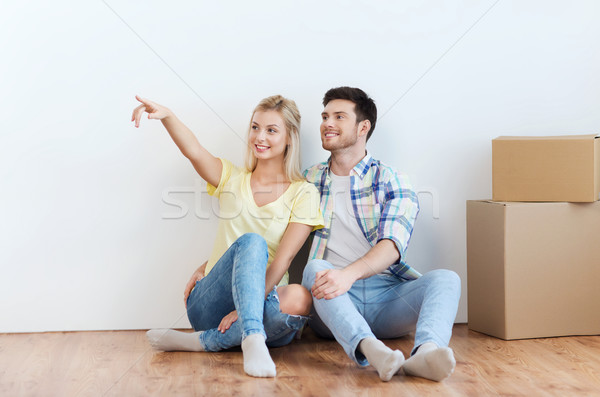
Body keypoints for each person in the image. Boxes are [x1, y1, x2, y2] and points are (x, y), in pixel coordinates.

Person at [131, 94, 323, 378]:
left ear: (290, 138)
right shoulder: (233, 177)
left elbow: (285, 261)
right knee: (252, 241)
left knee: (300, 297)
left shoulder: (303, 192)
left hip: (266, 300)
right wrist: (168, 116)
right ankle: (253, 335)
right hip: (212, 303)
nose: (260, 136)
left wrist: (250, 307)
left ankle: (203, 341)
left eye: (271, 130)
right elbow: (194, 151)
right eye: (255, 127)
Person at [301, 87, 461, 382]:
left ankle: (425, 354)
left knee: (446, 279)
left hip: (387, 296)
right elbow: (271, 230)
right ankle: (370, 348)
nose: (327, 123)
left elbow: (392, 246)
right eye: (325, 116)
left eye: (338, 116)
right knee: (315, 268)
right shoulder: (308, 179)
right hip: (332, 300)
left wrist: (348, 274)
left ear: (363, 127)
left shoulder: (392, 179)